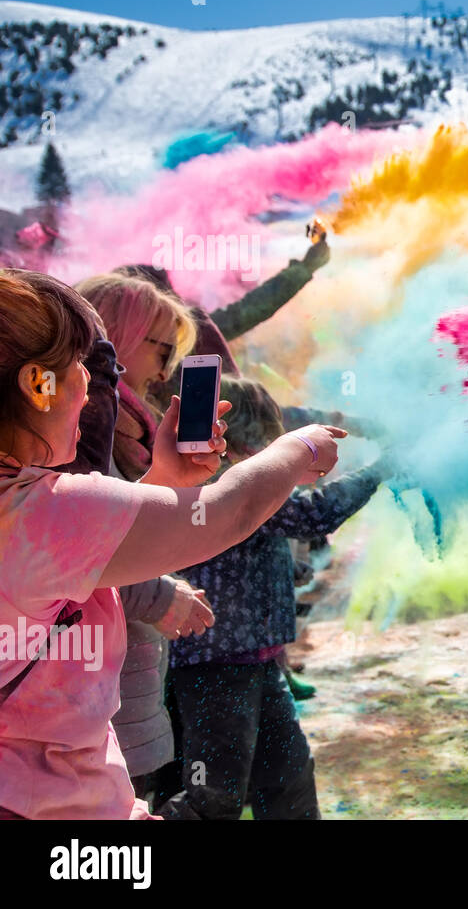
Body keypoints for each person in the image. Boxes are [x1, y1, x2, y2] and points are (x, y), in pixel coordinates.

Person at [0, 267, 346, 819]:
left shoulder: (26, 507)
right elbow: (226, 514)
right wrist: (298, 451)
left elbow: (87, 552)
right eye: (81, 370)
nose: (93, 389)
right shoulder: (34, 509)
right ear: (35, 387)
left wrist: (161, 481)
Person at [160, 376, 388, 820]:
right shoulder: (235, 481)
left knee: (287, 782)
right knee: (214, 798)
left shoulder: (222, 479)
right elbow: (314, 512)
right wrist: (381, 469)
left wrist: (288, 569)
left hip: (252, 661)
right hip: (219, 668)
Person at [75, 272, 213, 806]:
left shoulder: (120, 423)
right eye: (163, 349)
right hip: (92, 712)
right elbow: (76, 547)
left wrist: (165, 481)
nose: (166, 370)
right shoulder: (80, 426)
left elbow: (111, 524)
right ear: (121, 336)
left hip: (121, 688)